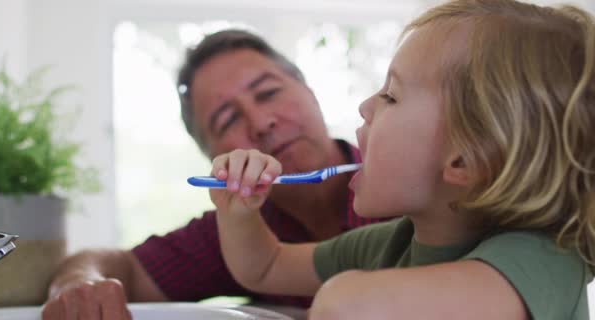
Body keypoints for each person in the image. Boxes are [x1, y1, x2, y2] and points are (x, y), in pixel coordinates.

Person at [210, 1, 595, 319]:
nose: (365, 107)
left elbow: (348, 307)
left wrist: (339, 295)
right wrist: (239, 210)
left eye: (391, 96)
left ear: (464, 161)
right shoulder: (392, 242)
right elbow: (265, 267)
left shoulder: (547, 258)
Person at [41, 30, 386, 319]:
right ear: (213, 156)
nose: (261, 123)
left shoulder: (409, 188)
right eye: (227, 120)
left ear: (309, 91)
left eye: (268, 93)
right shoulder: (235, 227)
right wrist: (76, 282)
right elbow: (121, 267)